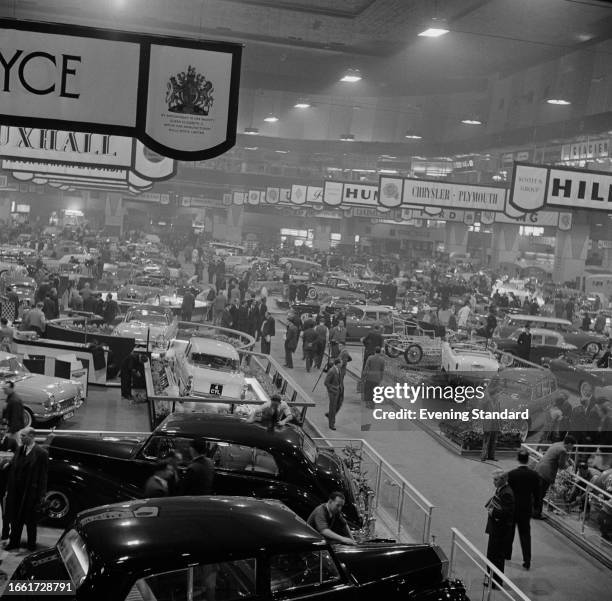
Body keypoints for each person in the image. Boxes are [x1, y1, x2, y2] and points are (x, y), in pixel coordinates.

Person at [5, 428, 48, 552]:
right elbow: (14, 469)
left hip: (30, 493)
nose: (21, 438)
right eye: (21, 436)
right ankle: (14, 542)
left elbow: (43, 476)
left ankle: (31, 545)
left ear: (31, 436)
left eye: (23, 436)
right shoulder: (19, 449)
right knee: (15, 520)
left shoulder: (41, 453)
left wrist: (41, 495)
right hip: (16, 492)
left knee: (30, 522)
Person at [507, 450, 539, 570]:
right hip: (526, 509)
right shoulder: (534, 475)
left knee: (509, 531)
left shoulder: (511, 474)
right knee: (525, 534)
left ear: (517, 459)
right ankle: (527, 560)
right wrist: (536, 507)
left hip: (512, 508)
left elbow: (507, 492)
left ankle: (507, 554)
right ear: (528, 459)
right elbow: (538, 494)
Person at [484, 470, 515, 588]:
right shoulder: (501, 489)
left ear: (503, 480)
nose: (493, 482)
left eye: (495, 480)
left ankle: (496, 581)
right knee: (492, 555)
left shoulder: (507, 493)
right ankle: (492, 578)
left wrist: (493, 511)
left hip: (500, 530)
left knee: (496, 556)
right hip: (496, 528)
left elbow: (507, 513)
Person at [534, 435, 576, 518]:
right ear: (569, 444)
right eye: (572, 446)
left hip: (539, 468)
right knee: (540, 494)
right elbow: (561, 465)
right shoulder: (563, 450)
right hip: (546, 473)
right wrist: (567, 464)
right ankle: (536, 513)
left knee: (537, 493)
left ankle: (533, 511)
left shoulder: (556, 444)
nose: (572, 448)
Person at [0, 419, 18, 540]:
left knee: (6, 511)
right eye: (0, 428)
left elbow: (17, 460)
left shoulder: (12, 442)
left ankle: (6, 532)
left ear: (7, 430)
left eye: (4, 429)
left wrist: (9, 463)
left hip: (5, 483)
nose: (2, 431)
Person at [480, 381, 502, 461]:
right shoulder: (487, 401)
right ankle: (483, 456)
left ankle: (491, 456)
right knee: (486, 440)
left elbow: (499, 413)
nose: (499, 395)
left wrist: (500, 424)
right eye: (498, 393)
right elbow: (482, 410)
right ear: (495, 394)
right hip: (488, 423)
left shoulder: (497, 402)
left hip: (495, 424)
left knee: (493, 441)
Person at [324, 359, 342, 431]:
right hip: (333, 392)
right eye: (341, 363)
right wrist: (332, 389)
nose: (342, 364)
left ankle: (332, 422)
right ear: (337, 363)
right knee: (332, 408)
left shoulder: (338, 369)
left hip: (337, 391)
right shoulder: (332, 371)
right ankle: (331, 424)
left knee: (335, 407)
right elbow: (326, 382)